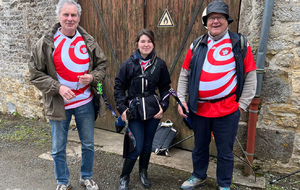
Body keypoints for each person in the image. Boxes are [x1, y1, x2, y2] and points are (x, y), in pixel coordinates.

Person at [177, 1, 257, 190]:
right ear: (206, 22)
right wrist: (181, 100)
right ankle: (199, 176)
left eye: (219, 17)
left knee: (225, 152)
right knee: (199, 147)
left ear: (226, 21)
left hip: (228, 110)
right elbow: (184, 74)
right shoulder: (196, 44)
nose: (215, 21)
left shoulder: (240, 43)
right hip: (200, 109)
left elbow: (251, 75)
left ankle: (223, 184)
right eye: (211, 18)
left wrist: (242, 106)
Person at [28, 0, 107, 189]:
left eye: (73, 15)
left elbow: (102, 66)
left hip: (85, 103)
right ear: (58, 17)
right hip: (58, 104)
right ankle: (62, 182)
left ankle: (86, 177)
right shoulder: (46, 43)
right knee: (58, 148)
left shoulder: (88, 41)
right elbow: (35, 74)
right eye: (66, 15)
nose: (70, 19)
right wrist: (58, 88)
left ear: (79, 18)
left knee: (88, 144)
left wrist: (92, 77)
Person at [114, 29, 171, 190]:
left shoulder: (159, 64)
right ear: (137, 44)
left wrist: (163, 107)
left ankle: (143, 172)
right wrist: (123, 109)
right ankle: (124, 177)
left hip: (153, 110)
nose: (146, 44)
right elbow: (118, 88)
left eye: (149, 41)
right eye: (143, 41)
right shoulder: (128, 64)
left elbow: (166, 88)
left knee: (147, 145)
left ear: (153, 44)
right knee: (136, 145)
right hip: (135, 111)